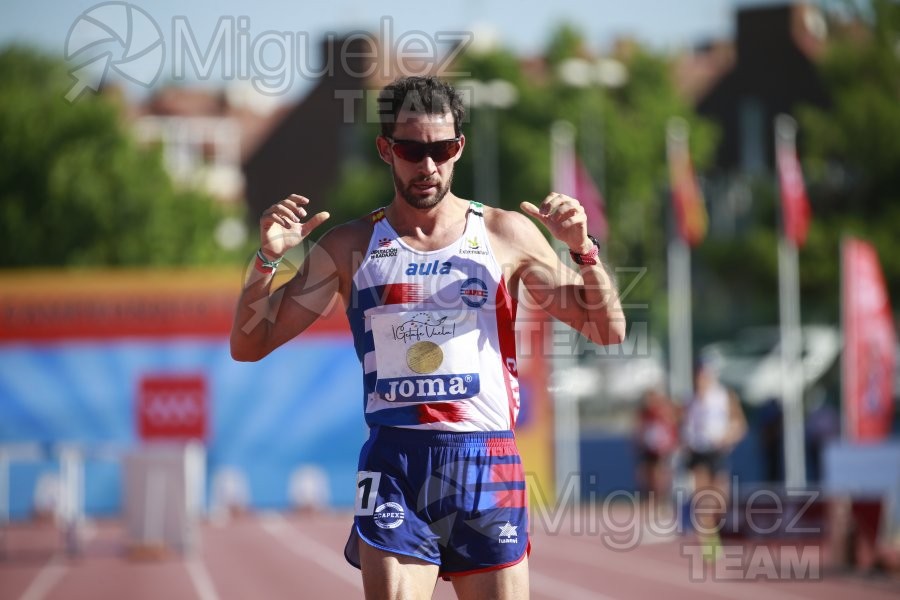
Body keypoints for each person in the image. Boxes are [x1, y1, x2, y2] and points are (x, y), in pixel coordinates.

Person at [230, 75, 625, 599]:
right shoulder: (350, 246)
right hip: (396, 462)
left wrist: (585, 252)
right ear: (385, 150)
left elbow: (606, 328)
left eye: (443, 148)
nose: (429, 166)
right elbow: (249, 343)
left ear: (460, 147)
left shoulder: (505, 234)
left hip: (486, 460)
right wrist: (266, 261)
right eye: (412, 150)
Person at [682, 359, 747, 560]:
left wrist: (729, 436)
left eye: (704, 376)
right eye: (698, 376)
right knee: (704, 499)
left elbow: (740, 425)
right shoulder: (690, 400)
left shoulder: (724, 397)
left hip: (718, 452)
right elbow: (683, 427)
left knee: (720, 499)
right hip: (698, 452)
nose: (701, 380)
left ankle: (709, 531)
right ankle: (709, 541)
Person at [635, 387, 680, 506]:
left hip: (662, 449)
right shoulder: (645, 413)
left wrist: (670, 445)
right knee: (645, 473)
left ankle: (661, 498)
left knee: (660, 474)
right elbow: (639, 429)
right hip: (649, 448)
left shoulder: (665, 410)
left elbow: (672, 427)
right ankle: (649, 498)